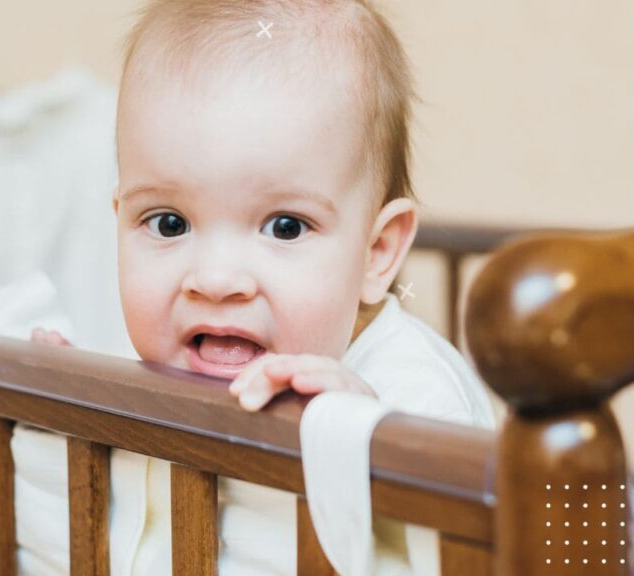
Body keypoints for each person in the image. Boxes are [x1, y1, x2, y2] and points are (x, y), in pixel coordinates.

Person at [35, 0, 495, 428]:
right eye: (169, 223)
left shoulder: (422, 400)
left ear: (376, 252)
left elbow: (455, 516)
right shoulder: (145, 366)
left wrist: (361, 447)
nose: (215, 281)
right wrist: (68, 431)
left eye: (285, 228)